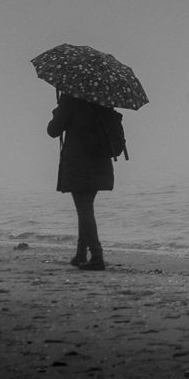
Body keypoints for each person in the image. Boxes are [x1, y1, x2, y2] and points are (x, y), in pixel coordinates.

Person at [47, 91, 117, 271]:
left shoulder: (71, 98)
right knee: (85, 208)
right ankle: (80, 254)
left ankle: (96, 255)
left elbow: (53, 130)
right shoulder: (102, 99)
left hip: (79, 163)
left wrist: (59, 110)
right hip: (99, 162)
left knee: (84, 208)